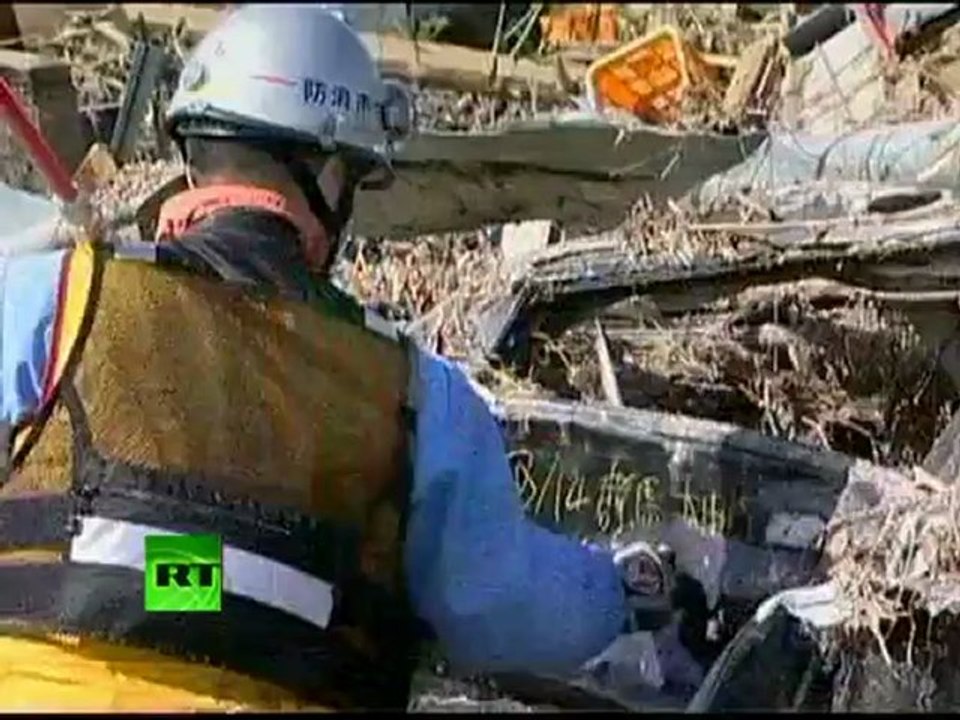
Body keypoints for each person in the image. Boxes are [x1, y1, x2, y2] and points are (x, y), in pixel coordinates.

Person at [0, 4, 674, 711]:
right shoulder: (413, 390)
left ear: (194, 154)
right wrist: (621, 592)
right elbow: (500, 611)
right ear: (326, 177)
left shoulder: (57, 293)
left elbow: (175, 567)